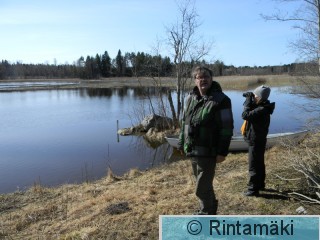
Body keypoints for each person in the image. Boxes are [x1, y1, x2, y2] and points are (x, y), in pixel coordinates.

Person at [178, 66, 234, 215]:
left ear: (211, 79)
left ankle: (206, 213)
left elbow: (227, 128)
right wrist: (181, 142)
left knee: (201, 187)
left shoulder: (221, 100)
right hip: (192, 149)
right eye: (199, 77)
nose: (203, 79)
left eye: (206, 77)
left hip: (209, 151)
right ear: (195, 80)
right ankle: (210, 209)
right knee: (203, 184)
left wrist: (222, 152)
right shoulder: (190, 98)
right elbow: (184, 122)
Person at [241, 85, 275, 197]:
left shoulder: (261, 110)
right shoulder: (263, 107)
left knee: (254, 165)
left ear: (260, 97)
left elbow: (245, 115)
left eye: (255, 95)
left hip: (255, 140)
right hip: (259, 139)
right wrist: (250, 100)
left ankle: (252, 189)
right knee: (259, 162)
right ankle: (260, 185)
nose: (253, 97)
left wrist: (247, 101)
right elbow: (250, 112)